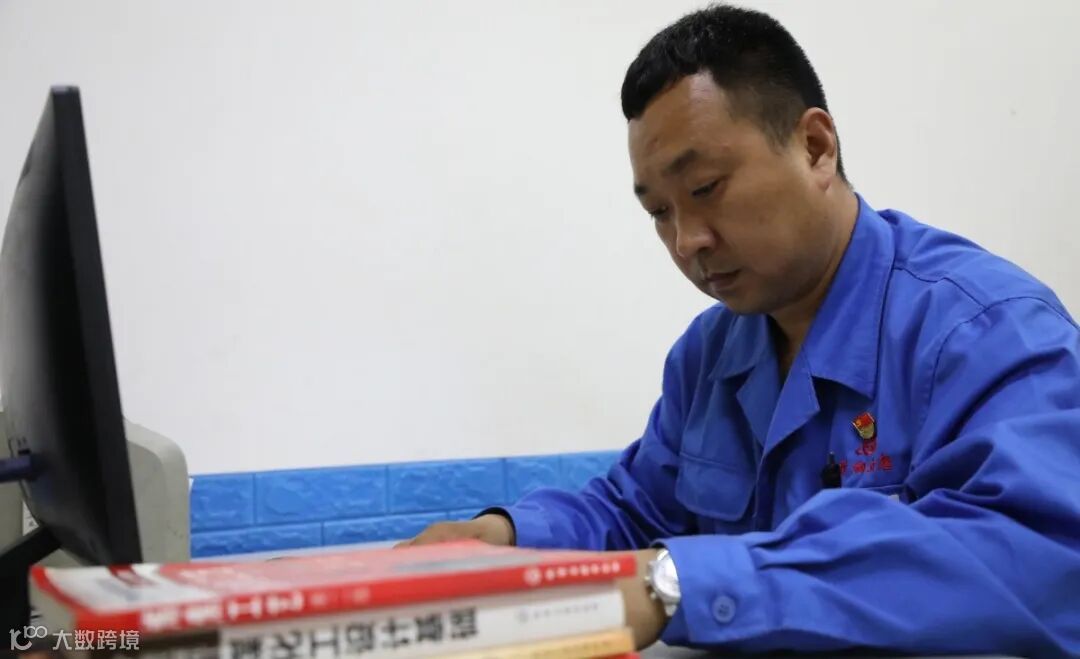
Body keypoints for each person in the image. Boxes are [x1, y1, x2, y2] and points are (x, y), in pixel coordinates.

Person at [400, 4, 1080, 656]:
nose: (686, 240)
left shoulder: (985, 329)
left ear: (815, 148)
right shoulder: (709, 356)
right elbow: (636, 512)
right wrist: (503, 538)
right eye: (659, 212)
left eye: (705, 188)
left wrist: (673, 587)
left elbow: (1039, 556)